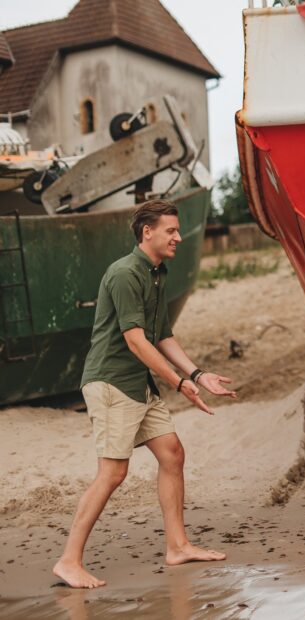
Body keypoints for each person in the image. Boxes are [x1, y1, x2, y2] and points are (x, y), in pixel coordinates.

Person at [53, 199, 237, 589]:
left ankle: (177, 546)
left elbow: (162, 335)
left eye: (178, 230)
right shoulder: (124, 273)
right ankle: (69, 561)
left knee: (172, 453)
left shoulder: (157, 273)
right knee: (113, 472)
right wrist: (178, 383)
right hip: (111, 381)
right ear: (147, 232)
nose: (178, 237)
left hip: (138, 382)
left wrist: (197, 374)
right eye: (171, 230)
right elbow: (136, 340)